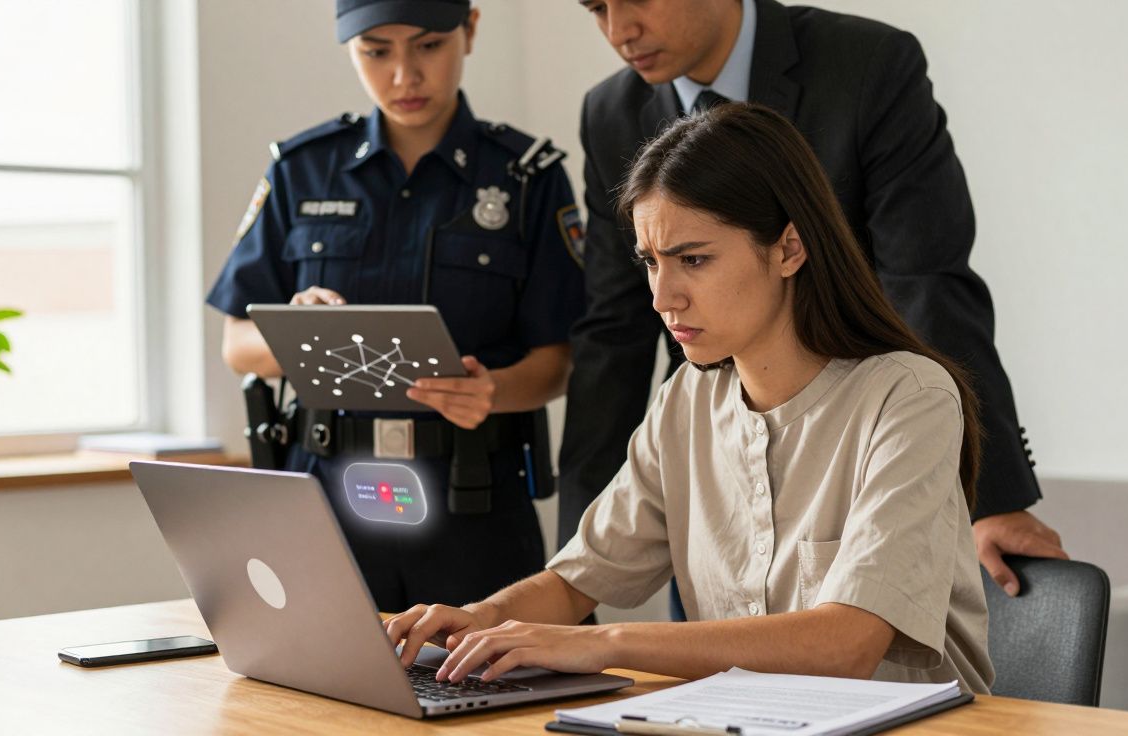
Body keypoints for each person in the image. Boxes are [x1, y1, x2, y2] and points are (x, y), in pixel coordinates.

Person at [384, 104, 993, 692]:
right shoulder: (687, 400)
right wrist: (479, 618)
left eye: (693, 260)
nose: (662, 296)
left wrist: (606, 643)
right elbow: (577, 580)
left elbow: (847, 644)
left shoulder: (910, 396)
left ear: (789, 248)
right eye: (651, 262)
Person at [560, 0, 1065, 599]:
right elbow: (612, 333)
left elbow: (926, 280)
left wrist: (992, 497)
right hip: (717, 478)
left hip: (858, 446)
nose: (619, 31)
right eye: (597, 8)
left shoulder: (865, 65)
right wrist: (572, 577)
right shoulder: (610, 111)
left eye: (636, 0)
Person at [206, 0, 585, 612]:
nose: (404, 75)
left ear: (470, 30)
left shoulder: (524, 178)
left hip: (473, 501)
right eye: (376, 52)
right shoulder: (303, 172)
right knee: (318, 697)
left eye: (428, 45)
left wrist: (493, 390)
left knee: (492, 692)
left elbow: (558, 360)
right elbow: (236, 344)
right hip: (327, 499)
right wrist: (300, 332)